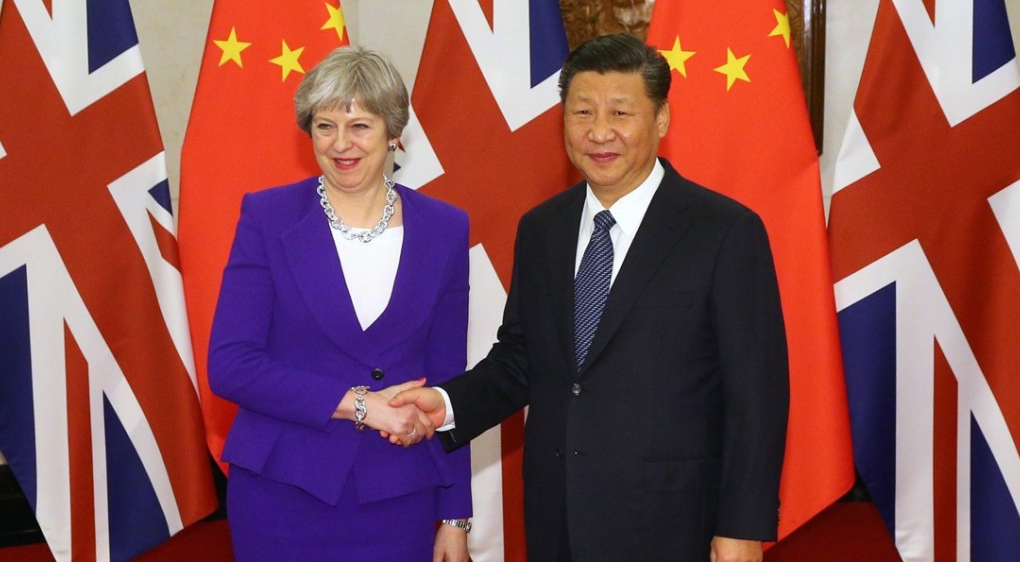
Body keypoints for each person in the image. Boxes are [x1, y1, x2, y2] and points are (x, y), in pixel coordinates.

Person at [391, 33, 789, 562]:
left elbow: (756, 396)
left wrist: (740, 527)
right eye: (582, 112)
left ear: (662, 119)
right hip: (560, 516)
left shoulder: (724, 231)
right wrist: (444, 404)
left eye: (621, 113)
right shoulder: (543, 229)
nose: (600, 133)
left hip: (674, 523)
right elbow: (522, 359)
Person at [207, 46, 472, 562]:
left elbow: (448, 381)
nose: (341, 144)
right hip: (283, 491)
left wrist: (456, 514)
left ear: (394, 132)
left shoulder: (445, 227)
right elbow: (231, 365)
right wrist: (361, 406)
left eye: (360, 126)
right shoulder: (268, 216)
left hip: (401, 496)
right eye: (325, 126)